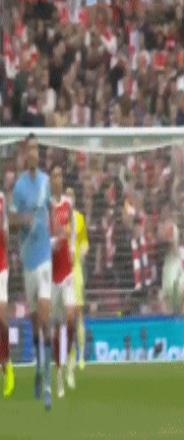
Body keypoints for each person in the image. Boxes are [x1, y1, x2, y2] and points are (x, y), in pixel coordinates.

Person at [9, 135, 53, 410]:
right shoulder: (19, 187)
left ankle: (47, 383)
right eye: (31, 149)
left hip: (45, 258)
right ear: (26, 154)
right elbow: (12, 221)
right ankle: (38, 367)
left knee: (45, 320)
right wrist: (22, 220)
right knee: (36, 322)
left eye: (38, 148)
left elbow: (50, 212)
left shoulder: (46, 182)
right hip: (28, 262)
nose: (35, 153)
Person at [49, 165, 76, 398]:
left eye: (60, 175)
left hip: (67, 271)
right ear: (50, 181)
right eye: (55, 176)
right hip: (52, 275)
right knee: (57, 327)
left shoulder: (68, 203)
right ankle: (58, 373)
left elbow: (73, 229)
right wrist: (55, 242)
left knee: (70, 318)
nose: (58, 179)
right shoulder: (46, 208)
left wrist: (73, 247)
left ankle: (69, 364)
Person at [66, 187, 89, 371]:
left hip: (76, 271)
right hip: (63, 272)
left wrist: (82, 251)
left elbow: (85, 243)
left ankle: (81, 355)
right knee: (68, 317)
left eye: (71, 196)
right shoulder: (59, 219)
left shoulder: (79, 218)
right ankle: (72, 354)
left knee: (79, 314)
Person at [0, 190, 14, 398]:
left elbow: (6, 233)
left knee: (1, 319)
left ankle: (7, 365)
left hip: (0, 266)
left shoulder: (1, 199)